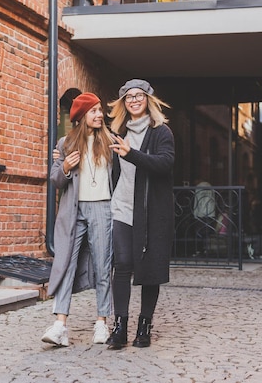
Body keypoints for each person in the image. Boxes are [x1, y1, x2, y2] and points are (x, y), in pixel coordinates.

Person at [105, 79, 175, 349]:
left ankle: (144, 326)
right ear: (123, 103)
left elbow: (165, 164)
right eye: (129, 97)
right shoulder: (117, 132)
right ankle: (120, 327)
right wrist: (61, 154)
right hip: (123, 207)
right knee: (122, 263)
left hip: (152, 212)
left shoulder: (161, 132)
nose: (134, 100)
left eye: (139, 96)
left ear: (148, 100)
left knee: (149, 269)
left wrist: (131, 153)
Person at [41, 92, 114, 347]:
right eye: (94, 111)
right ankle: (60, 325)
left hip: (102, 209)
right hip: (73, 211)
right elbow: (55, 180)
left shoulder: (111, 142)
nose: (100, 115)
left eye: (100, 110)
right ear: (82, 116)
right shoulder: (65, 143)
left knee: (103, 266)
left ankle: (102, 322)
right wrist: (64, 168)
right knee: (65, 264)